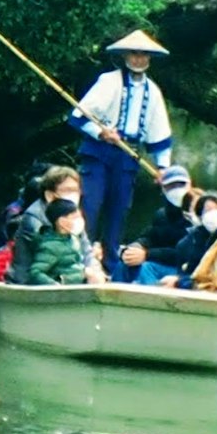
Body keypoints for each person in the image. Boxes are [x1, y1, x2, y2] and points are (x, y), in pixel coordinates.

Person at [71, 28, 180, 260]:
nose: (138, 59)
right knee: (91, 203)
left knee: (119, 208)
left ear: (149, 58)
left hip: (128, 154)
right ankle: (82, 257)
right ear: (125, 56)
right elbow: (78, 117)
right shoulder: (108, 81)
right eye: (134, 54)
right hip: (99, 151)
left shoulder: (153, 91)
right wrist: (101, 133)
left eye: (143, 55)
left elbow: (159, 134)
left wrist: (163, 168)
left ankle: (111, 261)